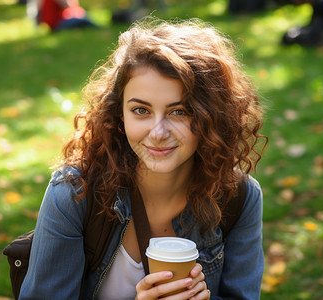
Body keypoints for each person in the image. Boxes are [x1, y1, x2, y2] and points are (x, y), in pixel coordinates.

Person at [19, 18, 267, 299]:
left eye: (180, 111)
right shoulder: (74, 195)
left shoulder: (238, 197)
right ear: (119, 116)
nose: (158, 133)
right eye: (141, 111)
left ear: (212, 117)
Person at [30, 0, 97, 31]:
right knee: (82, 20)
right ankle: (98, 28)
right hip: (58, 24)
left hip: (54, 25)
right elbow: (68, 5)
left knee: (81, 14)